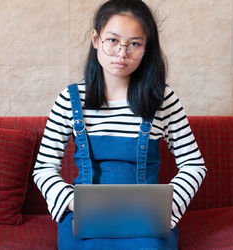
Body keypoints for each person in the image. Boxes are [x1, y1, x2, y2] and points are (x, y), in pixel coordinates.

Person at [33, 0, 207, 249]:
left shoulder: (163, 100)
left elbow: (194, 165)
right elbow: (44, 168)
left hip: (146, 218)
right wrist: (74, 202)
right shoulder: (69, 100)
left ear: (147, 48)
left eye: (134, 43)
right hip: (85, 218)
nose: (122, 53)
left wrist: (167, 209)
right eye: (113, 40)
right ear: (96, 39)